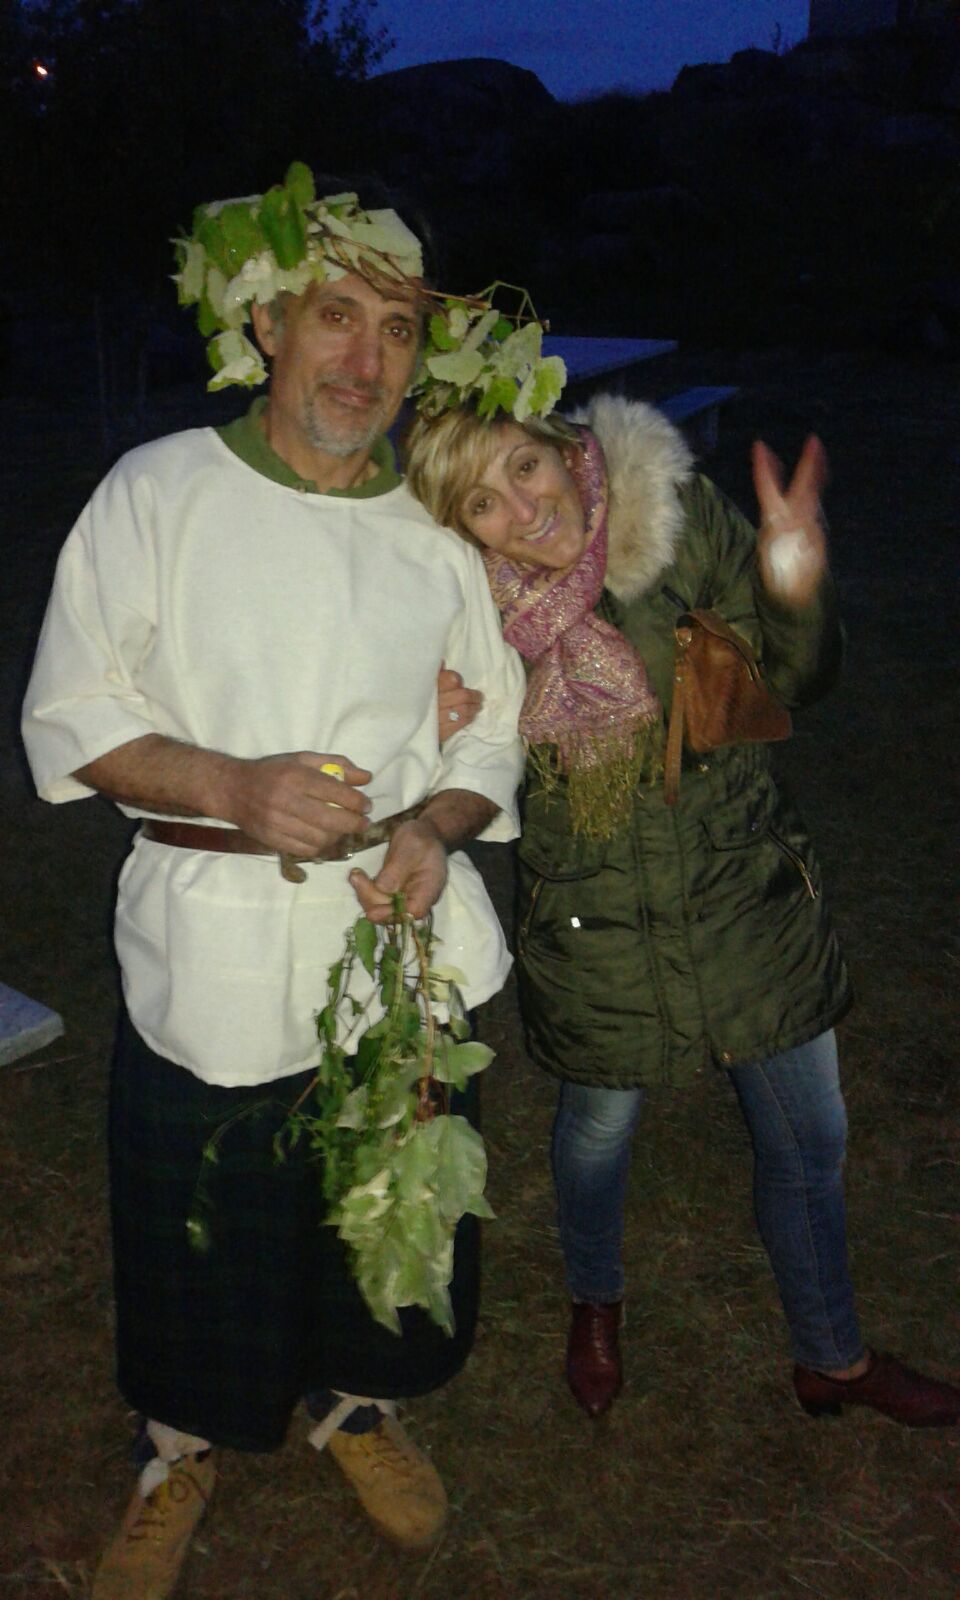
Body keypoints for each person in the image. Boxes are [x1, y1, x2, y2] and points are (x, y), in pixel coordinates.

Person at [21, 166, 527, 1596]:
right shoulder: (158, 493)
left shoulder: (436, 528)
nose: (367, 359)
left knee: (391, 1191)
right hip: (218, 941)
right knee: (201, 1207)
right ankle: (178, 1445)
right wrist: (235, 788)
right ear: (265, 326)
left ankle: (360, 1404)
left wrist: (437, 823)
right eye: (335, 317)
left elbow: (492, 727)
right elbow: (72, 711)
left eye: (396, 330)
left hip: (403, 947)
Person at [402, 379, 960, 1430]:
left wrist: (792, 581)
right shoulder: (460, 605)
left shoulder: (672, 512)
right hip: (594, 914)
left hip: (741, 884)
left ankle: (832, 1357)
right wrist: (420, 716)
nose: (522, 509)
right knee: (597, 1131)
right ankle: (596, 1299)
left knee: (809, 1137)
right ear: (457, 527)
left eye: (524, 466)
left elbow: (797, 680)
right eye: (481, 502)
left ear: (561, 444)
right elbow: (438, 767)